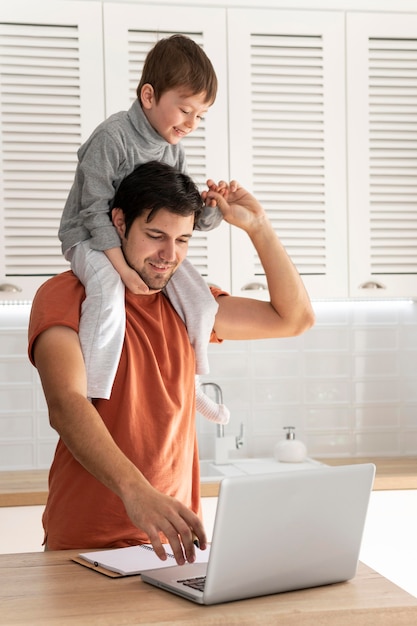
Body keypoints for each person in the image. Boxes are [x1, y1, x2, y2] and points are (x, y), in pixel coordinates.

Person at [28, 161, 315, 564]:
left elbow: (294, 319)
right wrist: (138, 492)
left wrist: (259, 226)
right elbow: (66, 404)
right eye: (155, 236)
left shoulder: (189, 304)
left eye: (183, 240)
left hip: (174, 543)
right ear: (119, 222)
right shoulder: (66, 294)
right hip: (86, 540)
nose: (169, 255)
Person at [58, 33, 229, 424]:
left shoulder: (173, 148)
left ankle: (193, 384)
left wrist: (214, 208)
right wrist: (122, 272)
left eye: (200, 116)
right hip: (90, 238)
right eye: (185, 110)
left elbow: (184, 216)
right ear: (149, 96)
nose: (191, 124)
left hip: (142, 246)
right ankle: (92, 402)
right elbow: (91, 211)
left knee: (201, 303)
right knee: (107, 297)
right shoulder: (112, 137)